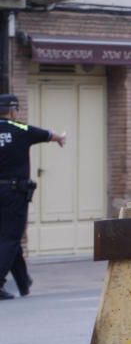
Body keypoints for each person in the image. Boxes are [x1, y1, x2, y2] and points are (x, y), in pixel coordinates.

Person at [0, 94, 66, 301]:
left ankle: (23, 281)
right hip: (13, 193)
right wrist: (61, 138)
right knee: (10, 238)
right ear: (12, 111)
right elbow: (51, 135)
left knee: (9, 237)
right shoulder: (20, 130)